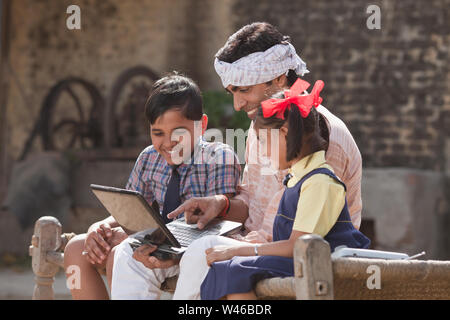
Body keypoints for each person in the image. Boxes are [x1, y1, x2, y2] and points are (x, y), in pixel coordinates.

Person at [170, 79, 370, 300]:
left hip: (323, 266)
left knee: (234, 268)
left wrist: (238, 250)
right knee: (226, 268)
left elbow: (297, 246)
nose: (263, 152)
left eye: (264, 142)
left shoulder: (320, 182)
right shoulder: (296, 179)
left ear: (284, 133)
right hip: (297, 259)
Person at [171, 22, 363, 244]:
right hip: (248, 247)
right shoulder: (259, 125)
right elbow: (252, 205)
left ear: (279, 78)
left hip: (290, 264)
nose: (237, 105)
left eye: (244, 90)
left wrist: (231, 250)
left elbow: (294, 239)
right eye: (232, 92)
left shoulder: (323, 133)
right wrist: (220, 205)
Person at [64, 73, 242, 299]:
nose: (167, 143)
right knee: (77, 247)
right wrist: (99, 227)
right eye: (157, 133)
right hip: (155, 239)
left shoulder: (219, 157)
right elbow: (132, 208)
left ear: (201, 125)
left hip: (193, 249)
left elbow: (221, 222)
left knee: (122, 253)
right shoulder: (149, 157)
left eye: (179, 133)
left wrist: (159, 245)